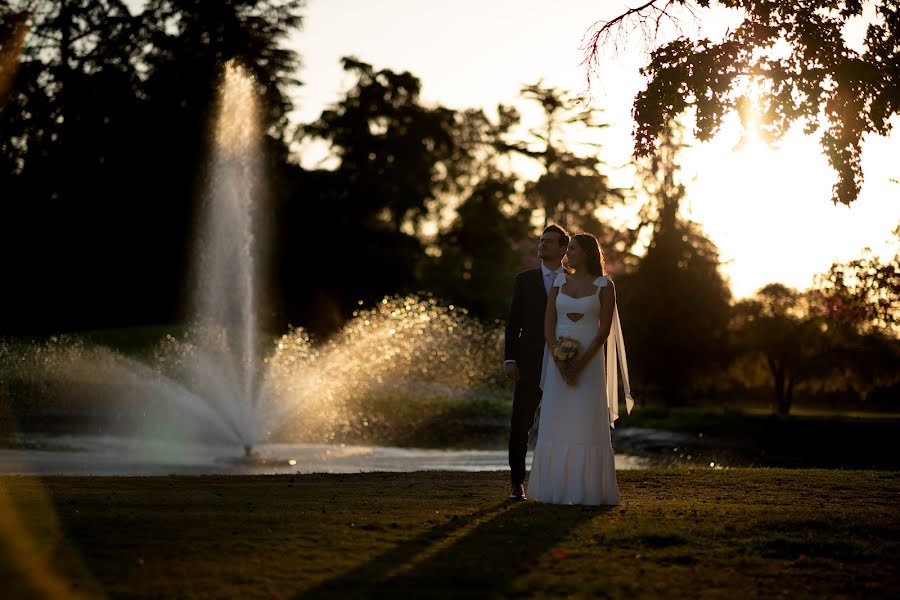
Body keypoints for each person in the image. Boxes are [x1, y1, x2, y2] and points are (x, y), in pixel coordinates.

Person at [527, 233, 633, 505]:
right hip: (557, 362)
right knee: (556, 419)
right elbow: (548, 325)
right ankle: (553, 489)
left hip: (590, 361)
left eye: (572, 248)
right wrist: (559, 360)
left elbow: (603, 331)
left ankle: (587, 491)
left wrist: (580, 363)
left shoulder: (604, 285)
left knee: (585, 420)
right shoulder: (559, 282)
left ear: (586, 252)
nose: (567, 253)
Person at [504, 224, 570, 501]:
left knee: (562, 423)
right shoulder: (524, 280)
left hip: (563, 363)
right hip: (528, 362)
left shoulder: (575, 281)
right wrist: (510, 358)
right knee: (521, 422)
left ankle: (559, 482)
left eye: (549, 242)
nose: (542, 245)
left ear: (564, 249)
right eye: (541, 241)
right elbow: (513, 323)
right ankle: (517, 483)